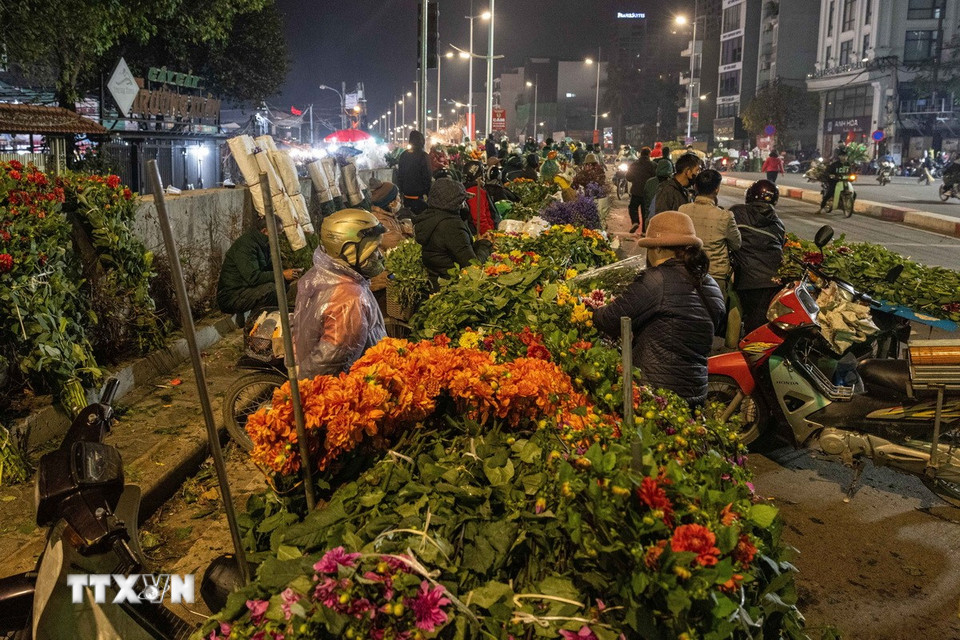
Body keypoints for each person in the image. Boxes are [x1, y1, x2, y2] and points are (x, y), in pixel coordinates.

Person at [594, 211, 724, 407]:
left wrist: (590, 308)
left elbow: (610, 320)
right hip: (696, 392)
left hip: (657, 394)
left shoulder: (656, 280)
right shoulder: (711, 284)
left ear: (656, 249)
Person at [292, 209, 387, 379]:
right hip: (347, 389)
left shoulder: (321, 275)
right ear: (349, 251)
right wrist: (303, 385)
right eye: (373, 251)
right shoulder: (349, 299)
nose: (379, 256)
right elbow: (330, 360)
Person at [414, 178, 493, 286]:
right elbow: (473, 267)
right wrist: (485, 244)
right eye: (462, 201)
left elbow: (456, 251)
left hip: (435, 281)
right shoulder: (451, 226)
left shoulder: (428, 217)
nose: (464, 204)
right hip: (453, 285)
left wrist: (478, 243)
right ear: (456, 203)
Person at [216, 215, 300, 317]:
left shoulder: (263, 243)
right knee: (272, 290)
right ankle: (254, 324)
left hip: (245, 289)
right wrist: (281, 274)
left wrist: (287, 276)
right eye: (277, 234)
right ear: (265, 231)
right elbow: (253, 277)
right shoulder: (246, 245)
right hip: (231, 295)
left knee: (282, 285)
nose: (278, 238)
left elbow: (268, 269)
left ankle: (268, 319)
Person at [730, 180, 785, 334]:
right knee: (759, 320)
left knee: (749, 321)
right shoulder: (777, 223)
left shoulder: (736, 212)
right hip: (772, 280)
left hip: (745, 277)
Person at [678, 169, 741, 298]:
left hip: (687, 271)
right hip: (716, 275)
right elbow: (736, 244)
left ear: (696, 187)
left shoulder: (682, 210)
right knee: (715, 313)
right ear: (717, 189)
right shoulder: (725, 216)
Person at [367, 179, 415, 310]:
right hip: (382, 282)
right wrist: (409, 234)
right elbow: (401, 247)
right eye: (398, 197)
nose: (400, 200)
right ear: (391, 202)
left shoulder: (388, 217)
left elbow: (401, 230)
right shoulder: (381, 222)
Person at [651, 152, 700, 220]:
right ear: (687, 171)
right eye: (697, 170)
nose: (698, 174)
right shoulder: (667, 190)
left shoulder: (684, 190)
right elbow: (660, 219)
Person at [397, 130, 432, 214]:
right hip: (419, 198)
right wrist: (428, 194)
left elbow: (399, 175)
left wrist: (401, 191)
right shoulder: (424, 156)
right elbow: (427, 176)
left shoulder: (403, 155)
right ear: (422, 141)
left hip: (406, 196)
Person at [462, 161, 501, 235]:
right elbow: (480, 219)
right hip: (483, 235)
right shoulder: (475, 191)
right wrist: (490, 234)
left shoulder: (468, 188)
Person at [626, 146, 656, 233]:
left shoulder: (634, 164)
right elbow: (655, 178)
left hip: (636, 190)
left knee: (632, 207)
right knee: (645, 212)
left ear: (640, 154)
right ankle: (644, 231)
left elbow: (628, 177)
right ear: (649, 154)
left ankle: (635, 222)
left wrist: (635, 180)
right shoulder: (652, 165)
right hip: (647, 192)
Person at [642, 158, 673, 231]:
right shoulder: (672, 184)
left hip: (650, 219)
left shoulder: (649, 182)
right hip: (666, 222)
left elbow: (646, 201)